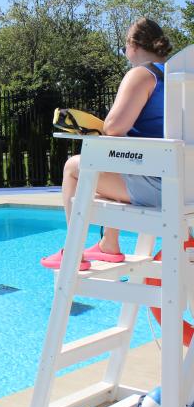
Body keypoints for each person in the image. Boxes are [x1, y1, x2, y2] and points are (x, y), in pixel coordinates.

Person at [41, 17, 173, 270]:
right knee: (110, 169)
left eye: (124, 47)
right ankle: (108, 244)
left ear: (133, 45)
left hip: (157, 188)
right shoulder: (179, 78)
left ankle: (74, 252)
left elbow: (113, 127)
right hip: (183, 184)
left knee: (74, 168)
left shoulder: (142, 75)